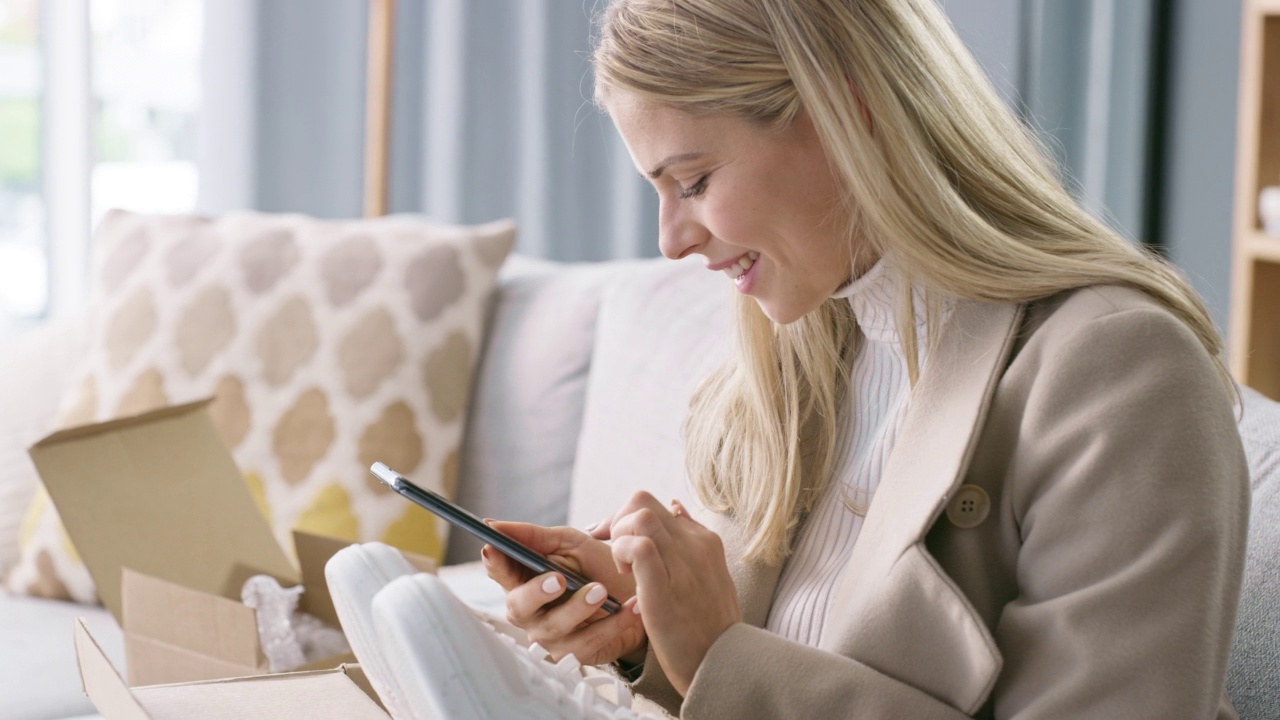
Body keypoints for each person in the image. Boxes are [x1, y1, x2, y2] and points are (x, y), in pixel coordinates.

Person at [482, 0, 1250, 717]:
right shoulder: (793, 358)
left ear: (851, 113)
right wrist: (647, 631)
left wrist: (719, 652)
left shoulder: (1119, 372)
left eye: (694, 182)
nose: (671, 239)